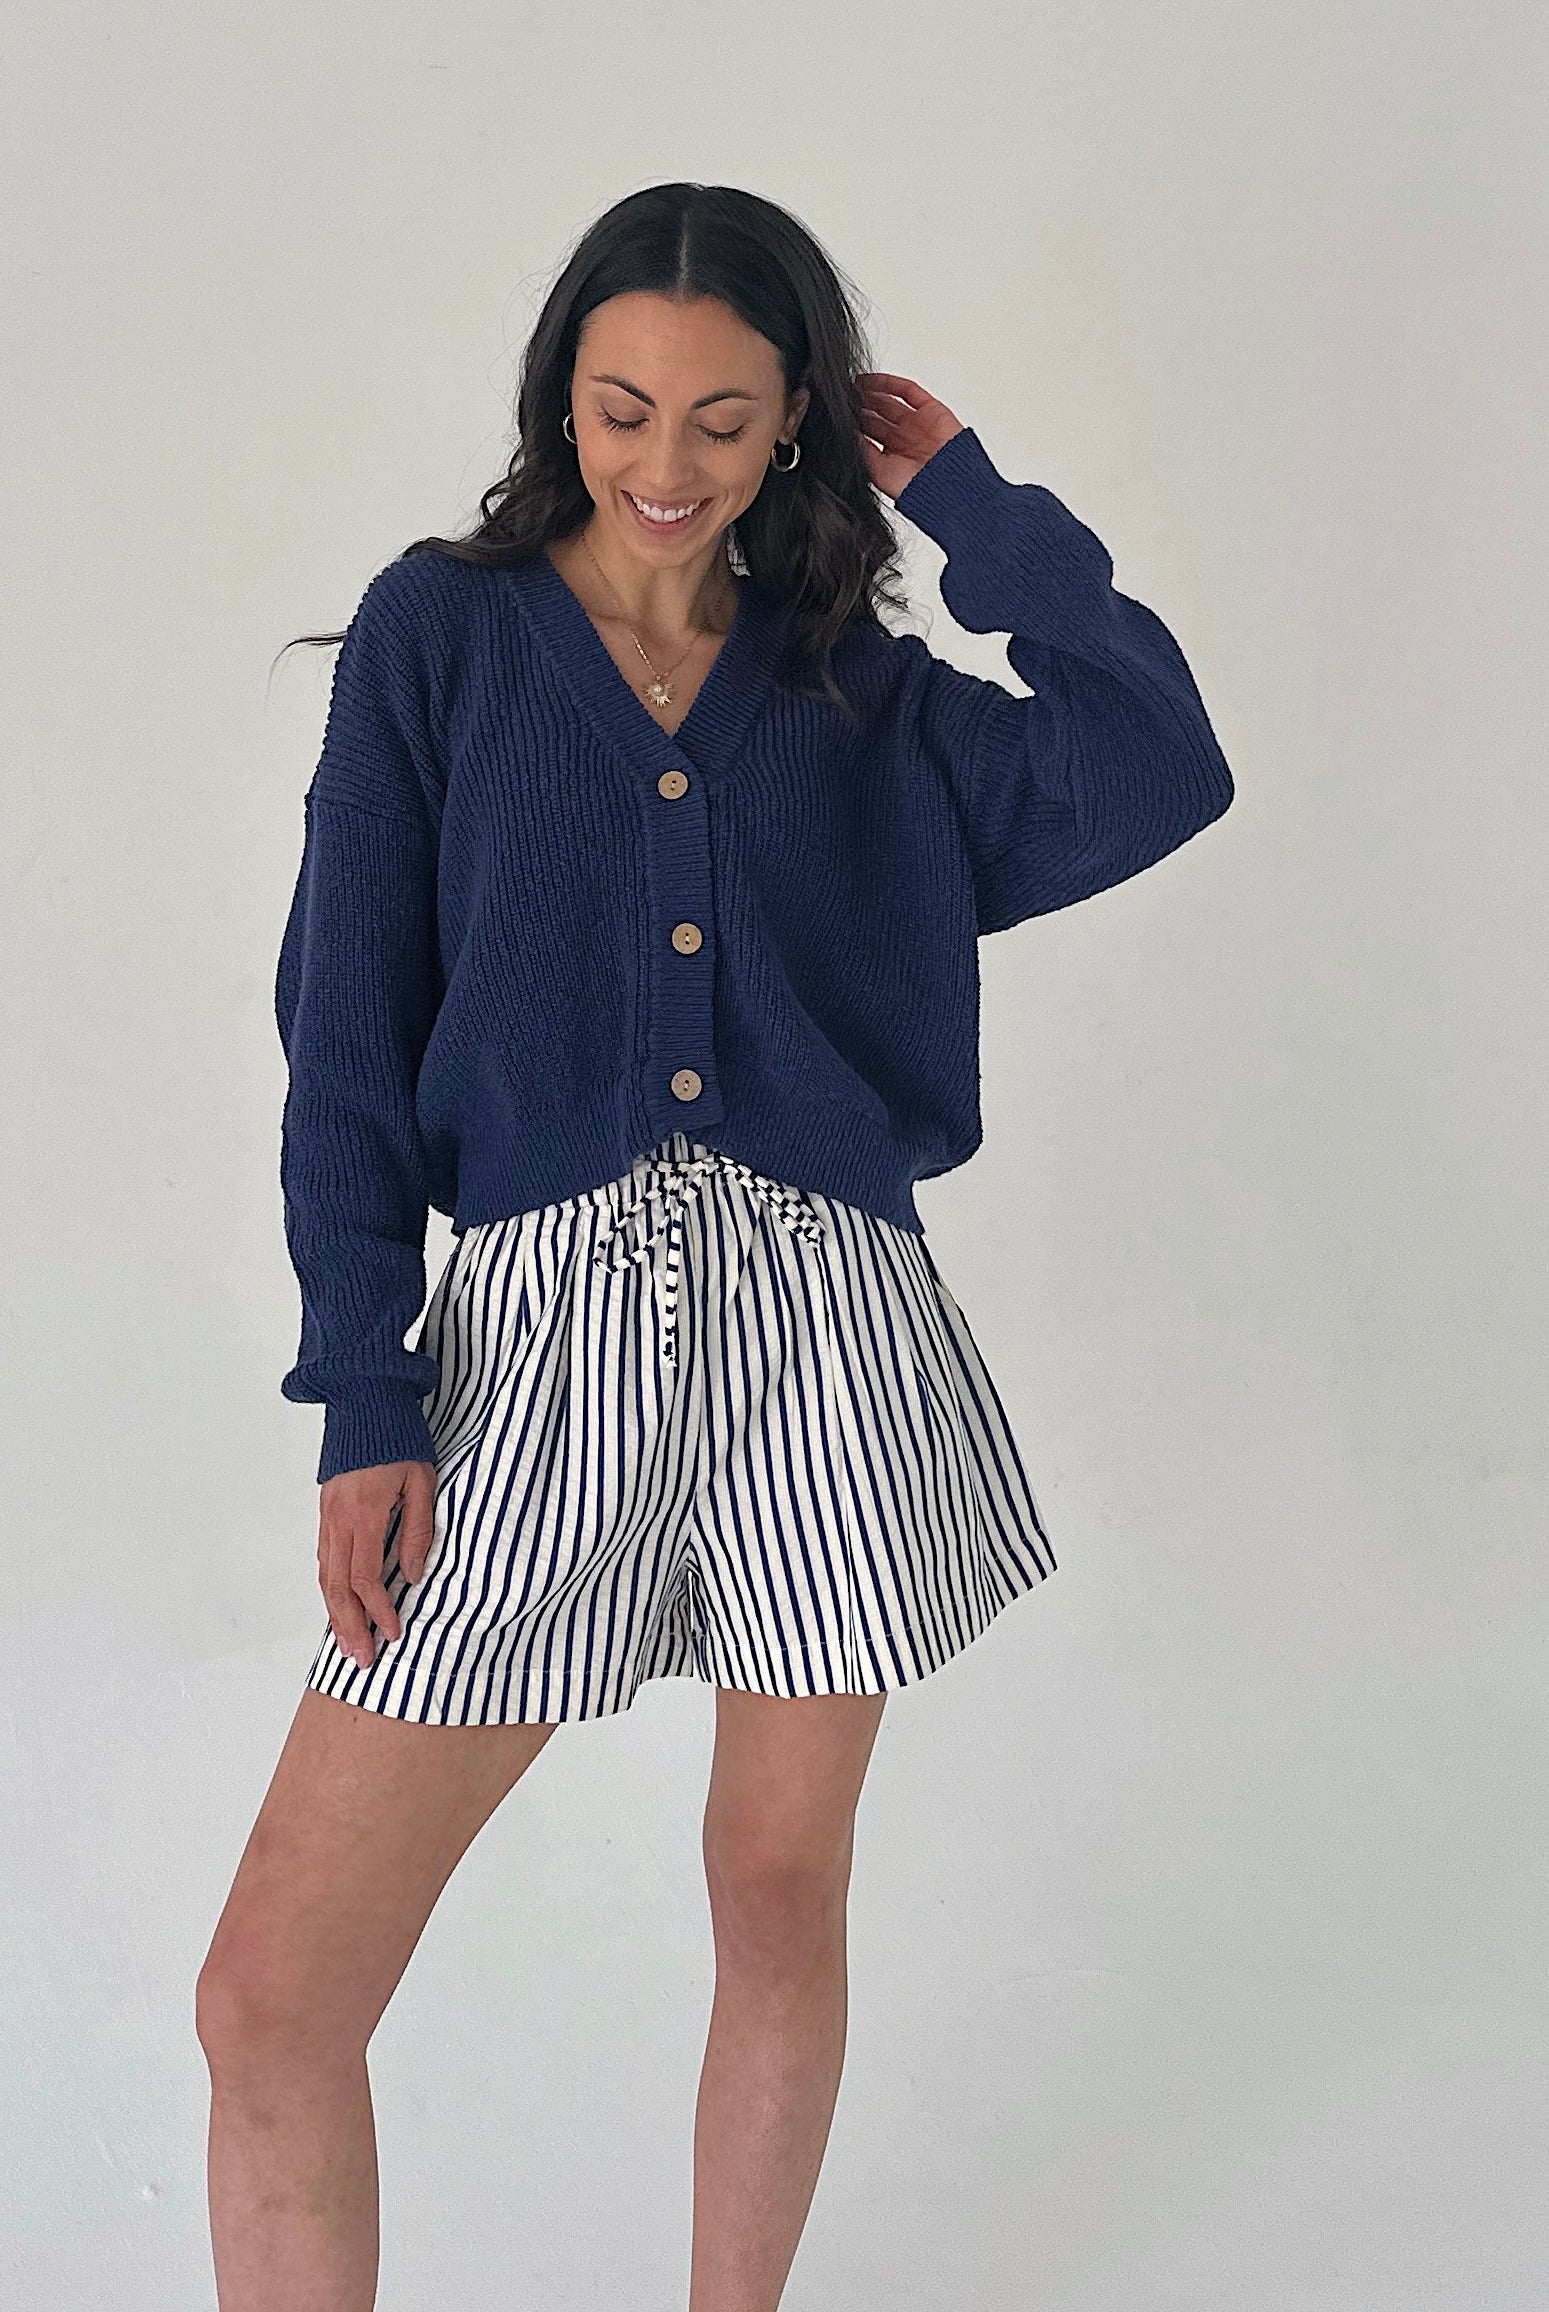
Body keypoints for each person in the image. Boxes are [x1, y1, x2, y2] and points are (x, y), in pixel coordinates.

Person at [196, 181, 1233, 2310]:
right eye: (619, 409)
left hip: (827, 1341)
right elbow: (346, 1049)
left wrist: (976, 503)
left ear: (799, 434)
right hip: (533, 1345)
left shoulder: (865, 691)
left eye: (724, 421)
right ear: (558, 395)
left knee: (775, 1895)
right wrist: (368, 1393)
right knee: (269, 2001)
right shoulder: (444, 638)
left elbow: (1156, 759)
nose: (662, 467)